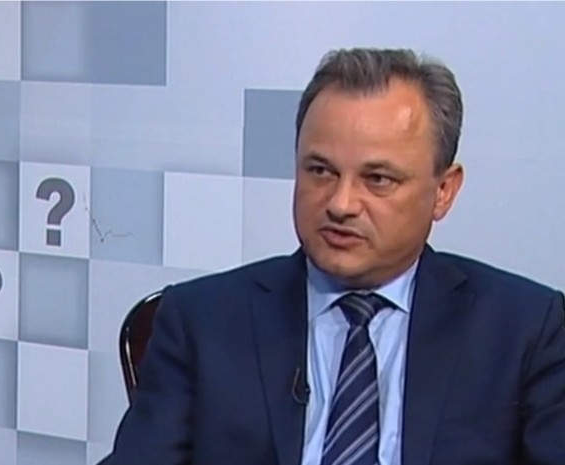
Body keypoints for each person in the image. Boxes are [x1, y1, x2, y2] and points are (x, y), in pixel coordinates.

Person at [99, 48, 565, 465]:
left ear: (444, 191)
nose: (341, 204)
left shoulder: (526, 329)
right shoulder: (201, 320)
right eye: (321, 171)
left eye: (377, 179)